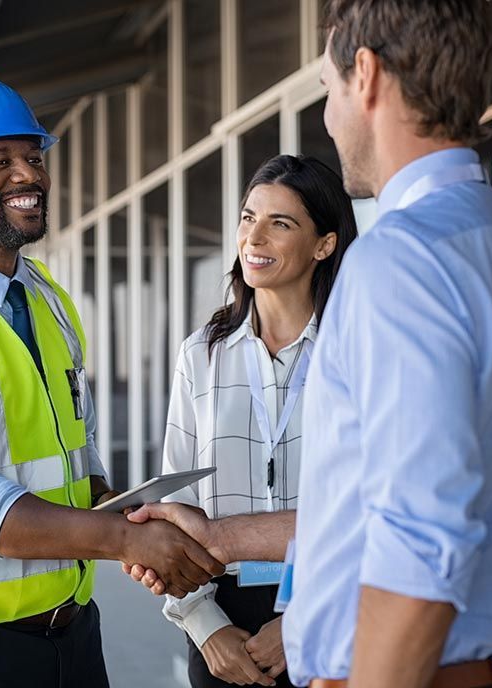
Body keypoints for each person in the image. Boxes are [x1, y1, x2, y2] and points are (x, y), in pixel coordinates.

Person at [131, 1, 492, 687]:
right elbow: (373, 508)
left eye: (328, 89)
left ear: (363, 75)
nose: (330, 115)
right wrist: (218, 540)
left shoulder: (400, 260)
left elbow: (419, 544)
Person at [0, 71, 224, 688]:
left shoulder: (47, 299)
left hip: (74, 634)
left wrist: (128, 515)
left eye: (33, 156)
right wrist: (120, 541)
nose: (29, 174)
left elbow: (77, 450)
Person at [157, 155, 357, 688]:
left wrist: (305, 621)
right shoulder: (201, 353)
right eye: (248, 218)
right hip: (221, 616)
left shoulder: (355, 353)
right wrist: (204, 625)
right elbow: (178, 503)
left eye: (280, 223)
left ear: (325, 244)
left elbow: (371, 505)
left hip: (331, 611)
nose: (254, 237)